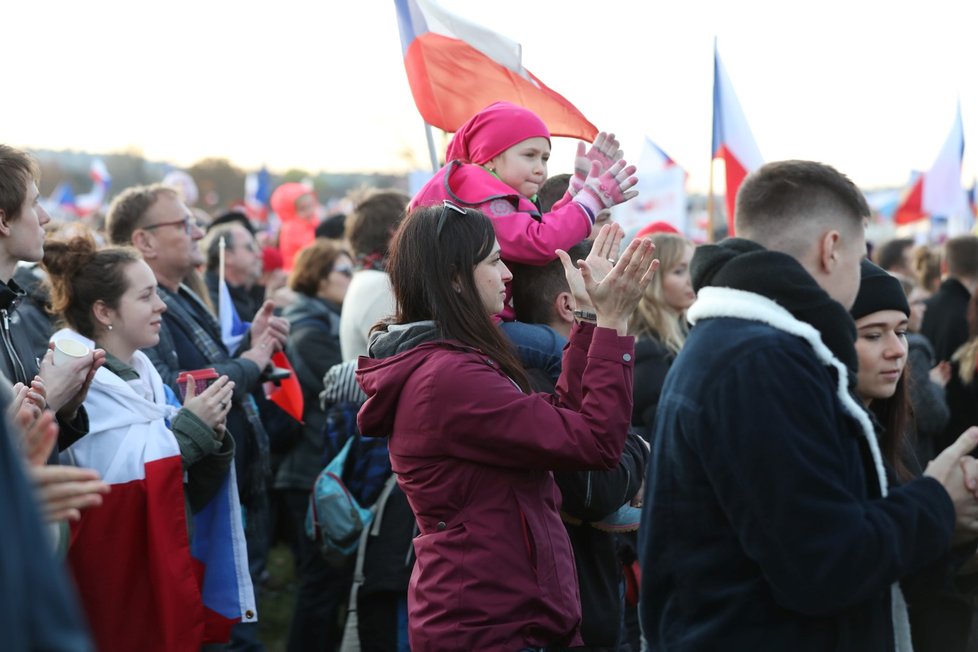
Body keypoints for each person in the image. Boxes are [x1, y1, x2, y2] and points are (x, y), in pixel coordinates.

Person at [638, 160, 978, 651]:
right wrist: (937, 502)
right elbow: (823, 565)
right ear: (832, 248)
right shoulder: (760, 359)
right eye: (860, 256)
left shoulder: (742, 345)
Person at [356, 203, 657, 650]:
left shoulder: (456, 361)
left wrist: (591, 318)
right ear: (456, 277)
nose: (508, 274)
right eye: (494, 261)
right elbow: (595, 443)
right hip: (492, 623)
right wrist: (615, 323)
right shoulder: (448, 378)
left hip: (509, 614)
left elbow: (562, 423)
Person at [106, 183, 290, 651]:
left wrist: (253, 346)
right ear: (144, 241)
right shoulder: (146, 309)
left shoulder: (181, 293)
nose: (197, 231)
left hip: (229, 486)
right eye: (183, 224)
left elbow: (207, 364)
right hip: (196, 505)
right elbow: (179, 390)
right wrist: (251, 362)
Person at [43, 233, 248, 650]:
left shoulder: (145, 379)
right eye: (146, 296)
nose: (162, 306)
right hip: (114, 584)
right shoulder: (85, 387)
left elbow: (183, 494)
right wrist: (192, 430)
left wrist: (211, 435)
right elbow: (118, 498)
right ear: (104, 311)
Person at [510, 234, 649, 650]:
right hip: (564, 609)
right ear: (569, 302)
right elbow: (595, 486)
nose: (616, 277)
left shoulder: (552, 363)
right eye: (601, 270)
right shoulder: (525, 380)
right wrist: (642, 451)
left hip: (589, 595)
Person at [409, 101, 638, 323]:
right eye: (530, 155)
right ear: (490, 157)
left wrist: (575, 195)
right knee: (555, 352)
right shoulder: (481, 197)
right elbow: (538, 241)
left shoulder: (487, 193)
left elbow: (539, 229)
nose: (540, 168)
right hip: (474, 326)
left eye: (545, 158)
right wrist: (590, 201)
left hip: (477, 321)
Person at [849, 260, 978, 652]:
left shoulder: (893, 429)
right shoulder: (835, 439)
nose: (895, 350)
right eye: (873, 335)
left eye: (902, 332)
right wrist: (939, 507)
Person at [277, 238, 354, 651]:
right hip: (307, 472)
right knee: (319, 589)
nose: (352, 279)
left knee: (326, 588)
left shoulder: (322, 321)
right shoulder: (308, 331)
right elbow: (345, 391)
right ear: (319, 278)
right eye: (344, 271)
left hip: (314, 468)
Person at [629, 232, 695, 439]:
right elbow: (671, 430)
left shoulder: (689, 332)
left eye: (692, 268)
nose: (691, 279)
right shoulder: (649, 350)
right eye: (679, 271)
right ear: (653, 279)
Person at [921, 235, 978, 450]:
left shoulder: (923, 309)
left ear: (945, 265)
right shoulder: (969, 314)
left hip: (932, 441)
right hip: (968, 440)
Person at [339, 190, 409, 361]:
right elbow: (405, 359)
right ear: (395, 232)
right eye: (413, 224)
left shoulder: (371, 279)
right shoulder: (378, 285)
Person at [202, 221, 265, 322]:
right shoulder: (213, 302)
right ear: (227, 256)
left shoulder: (249, 294)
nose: (259, 255)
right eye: (250, 248)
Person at [271, 182, 320, 272]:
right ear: (288, 211)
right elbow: (314, 248)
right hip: (298, 274)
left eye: (310, 206)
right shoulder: (292, 228)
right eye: (302, 209)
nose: (310, 211)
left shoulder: (308, 224)